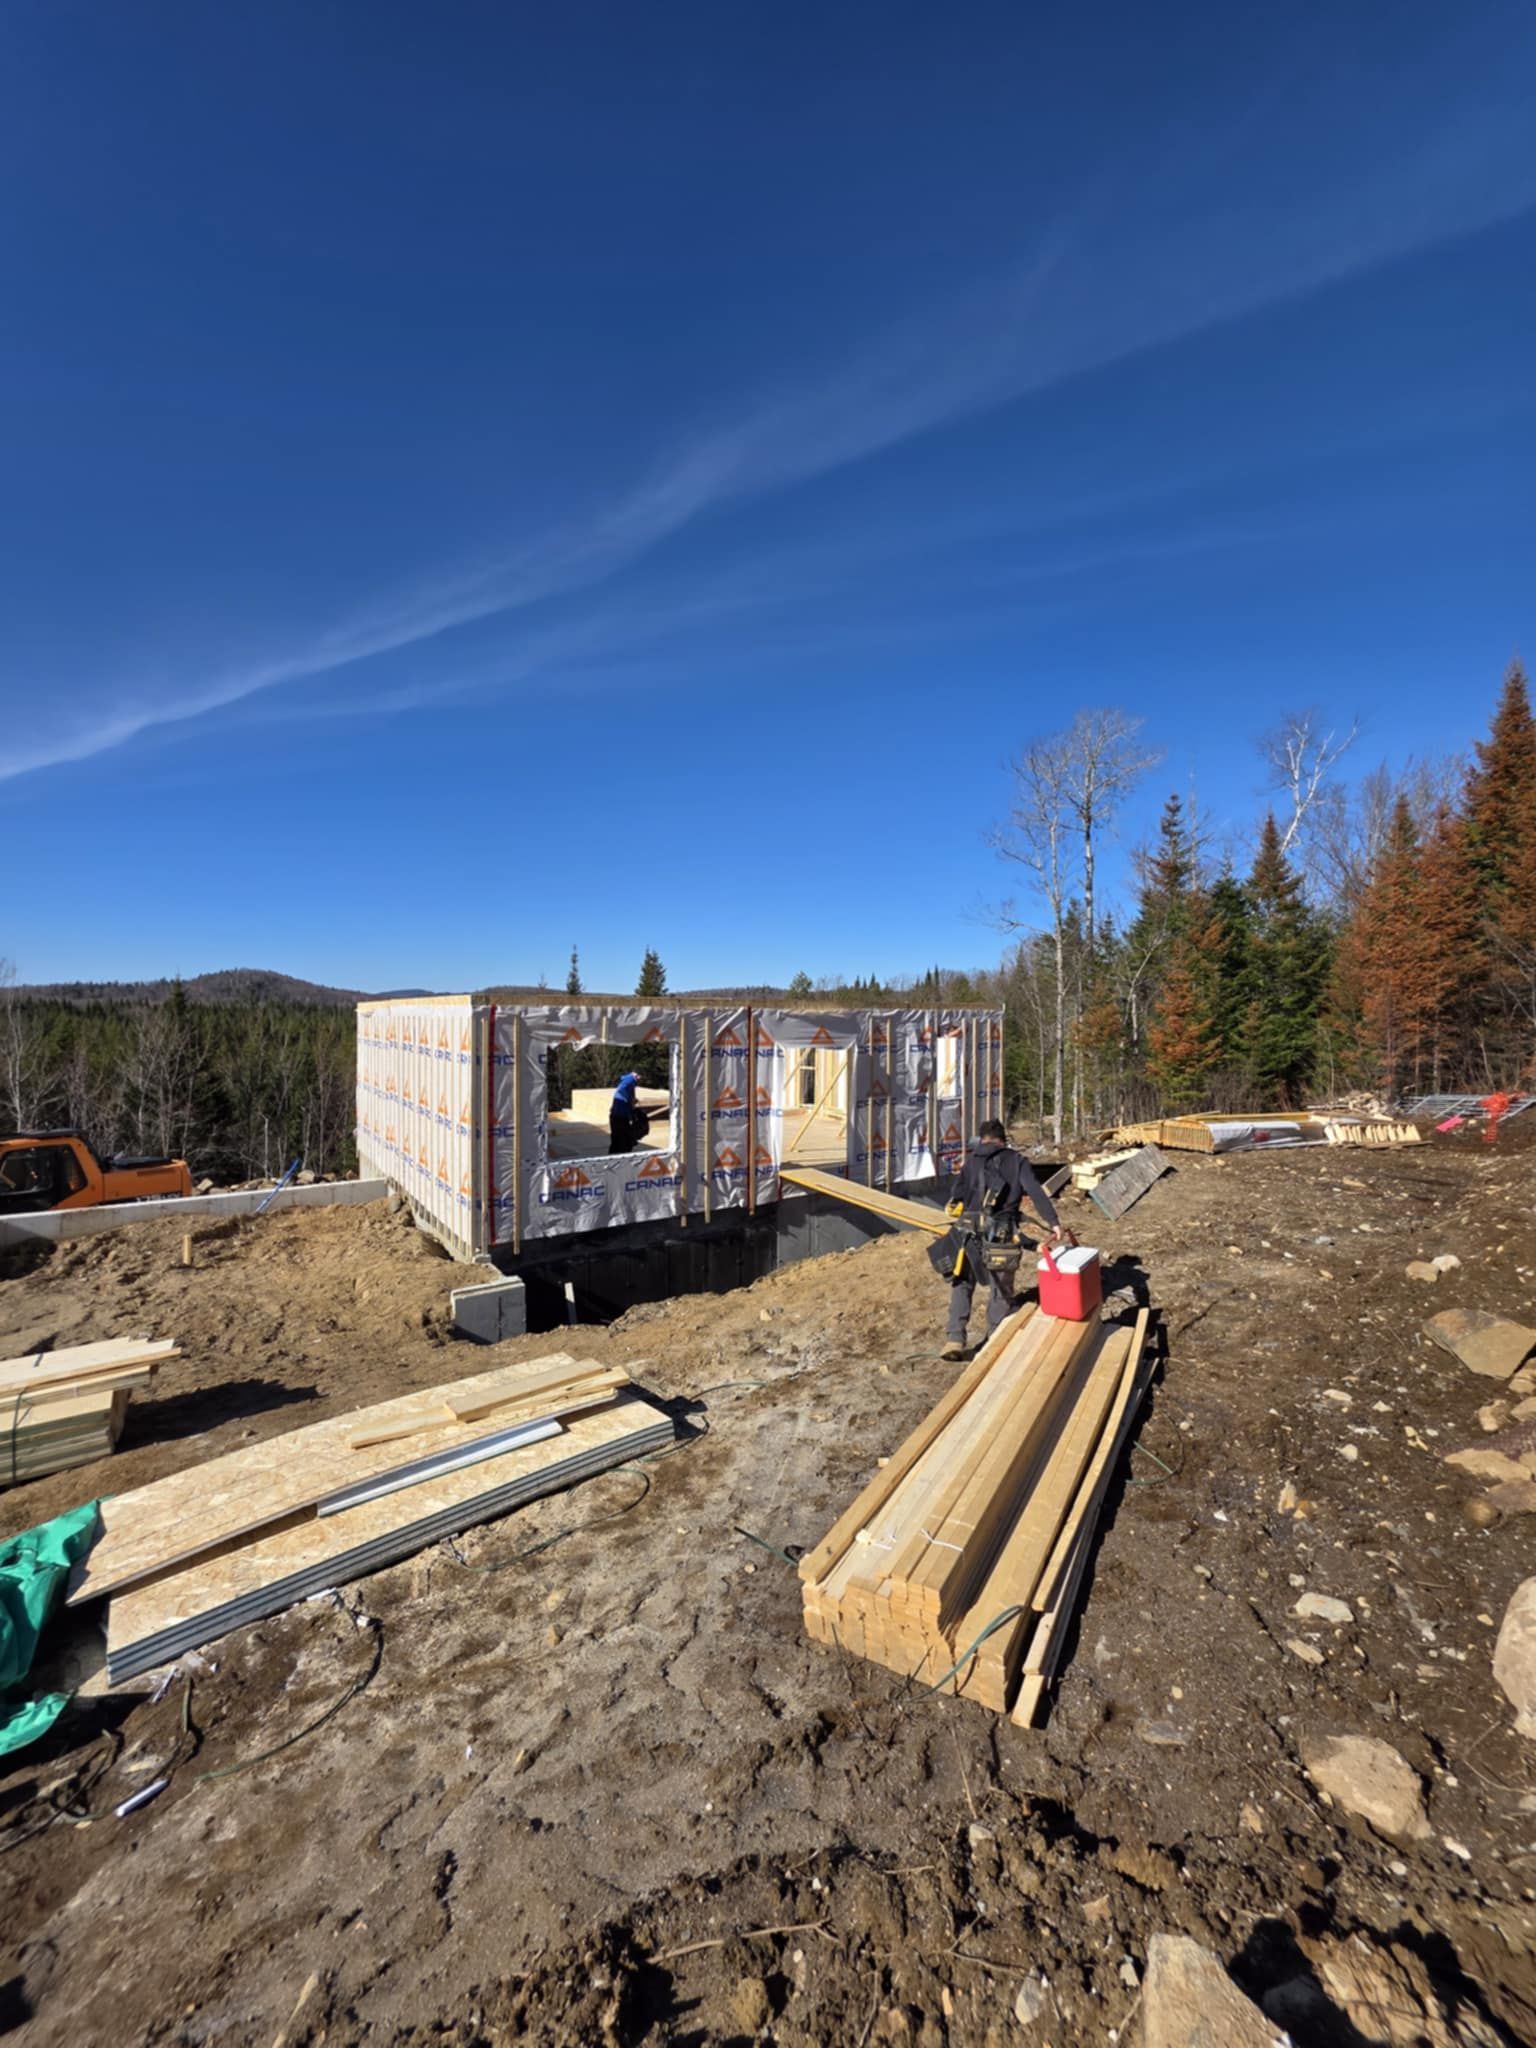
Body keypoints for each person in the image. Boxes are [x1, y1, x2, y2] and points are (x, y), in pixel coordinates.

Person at [937, 1119, 1069, 1360]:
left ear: (981, 1138)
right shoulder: (1017, 1162)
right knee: (1001, 1288)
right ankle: (993, 1341)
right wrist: (1053, 1222)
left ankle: (954, 1339)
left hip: (967, 1231)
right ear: (1003, 1139)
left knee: (963, 1282)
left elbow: (955, 1196)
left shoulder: (971, 1162)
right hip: (1002, 1233)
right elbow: (1037, 1193)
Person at [608, 1072, 650, 1154]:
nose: (639, 1082)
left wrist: (632, 1100)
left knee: (619, 1141)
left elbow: (628, 1094)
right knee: (621, 1142)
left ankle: (616, 1155)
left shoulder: (629, 1084)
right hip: (619, 1117)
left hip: (619, 1116)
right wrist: (632, 1077)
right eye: (639, 1079)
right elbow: (624, 1088)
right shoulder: (628, 1082)